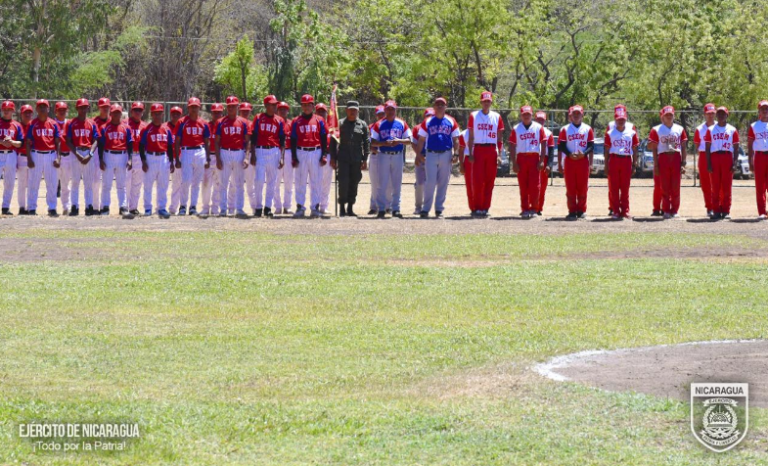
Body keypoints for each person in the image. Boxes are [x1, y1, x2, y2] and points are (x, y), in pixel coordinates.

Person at [414, 97, 460, 218]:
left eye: (442, 104)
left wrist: (456, 154)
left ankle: (439, 209)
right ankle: (425, 209)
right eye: (437, 104)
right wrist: (418, 154)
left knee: (443, 182)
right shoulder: (428, 121)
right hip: (431, 153)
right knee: (430, 181)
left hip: (446, 153)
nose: (440, 106)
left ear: (446, 107)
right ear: (434, 107)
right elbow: (421, 140)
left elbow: (456, 140)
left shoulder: (451, 121)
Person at [370, 100, 410, 218]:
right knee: (382, 182)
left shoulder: (401, 123)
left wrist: (398, 141)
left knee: (397, 183)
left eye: (392, 109)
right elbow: (373, 142)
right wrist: (384, 143)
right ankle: (381, 209)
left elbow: (409, 140)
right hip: (383, 155)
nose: (390, 111)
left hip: (398, 154)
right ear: (385, 110)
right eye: (388, 109)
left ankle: (395, 208)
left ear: (395, 110)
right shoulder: (379, 124)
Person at [291, 94, 328, 218]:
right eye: (304, 105)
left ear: (313, 106)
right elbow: (293, 139)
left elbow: (323, 138)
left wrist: (323, 154)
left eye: (309, 104)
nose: (306, 107)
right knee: (300, 181)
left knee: (316, 181)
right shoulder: (296, 121)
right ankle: (300, 207)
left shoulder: (319, 120)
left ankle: (315, 207)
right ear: (301, 106)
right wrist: (294, 157)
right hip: (301, 152)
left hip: (315, 151)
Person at [468, 91, 504, 217]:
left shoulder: (496, 116)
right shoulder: (474, 116)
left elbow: (500, 138)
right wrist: (471, 152)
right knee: (478, 180)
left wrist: (499, 154)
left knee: (490, 180)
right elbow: (471, 136)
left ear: (491, 102)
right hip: (478, 149)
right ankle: (477, 207)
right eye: (484, 101)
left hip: (491, 149)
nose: (486, 103)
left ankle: (486, 207)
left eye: (488, 101)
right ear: (481, 102)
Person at [647, 106, 688, 219]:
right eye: (666, 115)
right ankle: (666, 210)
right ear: (662, 117)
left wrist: (683, 163)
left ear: (674, 116)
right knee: (664, 186)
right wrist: (656, 164)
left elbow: (684, 147)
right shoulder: (656, 129)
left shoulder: (679, 129)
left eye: (671, 115)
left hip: (675, 157)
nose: (669, 117)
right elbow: (654, 148)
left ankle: (674, 210)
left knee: (675, 186)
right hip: (663, 157)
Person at [332, 100, 369, 217]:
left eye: (355, 110)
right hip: (343, 158)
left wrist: (365, 159)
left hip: (356, 159)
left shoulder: (362, 125)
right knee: (343, 183)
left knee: (354, 183)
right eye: (350, 109)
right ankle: (342, 208)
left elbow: (366, 143)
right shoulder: (340, 124)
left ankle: (350, 208)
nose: (352, 112)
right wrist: (333, 158)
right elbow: (334, 142)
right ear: (346, 110)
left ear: (358, 111)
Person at [215, 95, 251, 218]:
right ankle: (223, 209)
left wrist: (246, 157)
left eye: (233, 106)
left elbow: (248, 141)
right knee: (223, 183)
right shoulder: (221, 122)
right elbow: (217, 141)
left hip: (239, 153)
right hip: (225, 152)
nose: (231, 108)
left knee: (239, 183)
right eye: (229, 106)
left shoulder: (243, 122)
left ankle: (239, 208)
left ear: (237, 107)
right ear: (226, 107)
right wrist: (218, 158)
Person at [509, 105, 547, 218]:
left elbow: (543, 143)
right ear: (521, 115)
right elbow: (512, 145)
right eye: (524, 114)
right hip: (521, 158)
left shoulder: (538, 127)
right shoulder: (516, 128)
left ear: (531, 115)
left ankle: (534, 209)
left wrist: (541, 160)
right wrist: (514, 162)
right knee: (523, 185)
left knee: (535, 185)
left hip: (534, 157)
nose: (526, 116)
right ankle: (525, 208)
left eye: (528, 114)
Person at [251, 95, 286, 218]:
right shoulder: (258, 118)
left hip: (274, 151)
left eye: (275, 104)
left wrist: (282, 156)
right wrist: (252, 154)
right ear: (266, 105)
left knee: (272, 182)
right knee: (259, 181)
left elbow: (282, 140)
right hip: (260, 150)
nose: (274, 106)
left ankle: (267, 208)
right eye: (271, 104)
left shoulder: (279, 120)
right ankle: (258, 207)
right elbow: (253, 136)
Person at [175, 97, 210, 216]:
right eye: (191, 106)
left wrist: (208, 158)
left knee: (196, 182)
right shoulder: (182, 122)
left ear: (199, 107)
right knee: (186, 180)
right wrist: (177, 158)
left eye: (196, 106)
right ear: (188, 108)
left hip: (200, 152)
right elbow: (177, 141)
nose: (194, 108)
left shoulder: (203, 123)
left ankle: (193, 206)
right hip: (186, 151)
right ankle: (183, 206)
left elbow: (206, 141)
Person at [26, 99, 62, 217]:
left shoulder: (53, 123)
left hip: (51, 155)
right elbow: (27, 142)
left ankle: (52, 208)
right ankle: (31, 208)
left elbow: (58, 142)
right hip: (36, 154)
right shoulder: (32, 123)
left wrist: (58, 158)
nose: (42, 108)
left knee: (52, 183)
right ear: (36, 109)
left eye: (44, 106)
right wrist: (29, 159)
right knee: (33, 183)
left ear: (48, 108)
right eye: (40, 106)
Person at [64, 99, 100, 217]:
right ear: (77, 108)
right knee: (75, 182)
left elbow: (96, 140)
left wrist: (90, 154)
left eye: (85, 107)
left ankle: (89, 206)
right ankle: (74, 207)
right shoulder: (71, 123)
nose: (83, 109)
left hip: (88, 153)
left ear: (88, 108)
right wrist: (77, 154)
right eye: (81, 107)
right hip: (76, 153)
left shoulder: (92, 123)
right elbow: (68, 141)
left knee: (88, 183)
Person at [558, 105, 594, 220]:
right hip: (570, 161)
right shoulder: (565, 129)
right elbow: (562, 146)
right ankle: (572, 211)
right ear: (570, 116)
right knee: (571, 186)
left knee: (582, 187)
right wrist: (569, 154)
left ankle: (581, 210)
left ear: (582, 115)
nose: (576, 115)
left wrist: (584, 154)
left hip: (583, 160)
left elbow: (591, 145)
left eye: (579, 113)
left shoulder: (588, 129)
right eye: (574, 114)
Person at [139, 103, 174, 219]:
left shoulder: (166, 129)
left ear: (163, 114)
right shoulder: (147, 129)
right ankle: (148, 208)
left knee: (163, 185)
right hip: (150, 157)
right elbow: (141, 146)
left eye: (159, 113)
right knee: (148, 185)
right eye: (155, 114)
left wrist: (172, 162)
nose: (157, 116)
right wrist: (143, 161)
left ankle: (161, 208)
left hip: (163, 158)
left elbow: (169, 146)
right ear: (152, 114)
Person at [604, 106, 639, 219]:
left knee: (625, 187)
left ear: (626, 118)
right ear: (615, 119)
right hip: (614, 159)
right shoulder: (610, 132)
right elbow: (607, 149)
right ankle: (615, 210)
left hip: (626, 160)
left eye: (623, 119)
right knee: (614, 187)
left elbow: (635, 149)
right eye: (618, 119)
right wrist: (606, 165)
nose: (621, 121)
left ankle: (625, 210)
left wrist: (634, 164)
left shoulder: (631, 132)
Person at [704, 106, 739, 220]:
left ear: (727, 115)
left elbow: (736, 148)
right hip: (715, 157)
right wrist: (708, 164)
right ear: (716, 116)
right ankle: (716, 210)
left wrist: (734, 163)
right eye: (718, 114)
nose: (720, 116)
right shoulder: (710, 129)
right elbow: (707, 148)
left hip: (727, 156)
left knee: (726, 186)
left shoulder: (732, 130)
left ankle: (726, 210)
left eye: (723, 114)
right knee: (715, 186)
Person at [98, 104, 133, 216]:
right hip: (108, 155)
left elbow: (130, 144)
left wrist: (130, 158)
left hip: (122, 155)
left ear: (121, 114)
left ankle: (122, 207)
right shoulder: (104, 127)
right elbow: (101, 144)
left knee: (121, 184)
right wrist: (101, 159)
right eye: (114, 112)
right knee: (106, 184)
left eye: (118, 112)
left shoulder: (126, 128)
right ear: (111, 114)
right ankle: (105, 206)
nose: (116, 114)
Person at [0, 101, 23, 215]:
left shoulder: (17, 125)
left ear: (13, 110)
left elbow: (20, 143)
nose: (6, 110)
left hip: (11, 155)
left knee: (9, 183)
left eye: (9, 109)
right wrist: (2, 142)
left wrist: (12, 142)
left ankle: (5, 207)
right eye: (4, 108)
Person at [694, 103, 716, 217]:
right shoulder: (700, 129)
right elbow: (697, 145)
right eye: (708, 114)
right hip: (703, 156)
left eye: (712, 113)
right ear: (704, 114)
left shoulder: (720, 126)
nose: (710, 116)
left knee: (718, 183)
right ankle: (709, 207)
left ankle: (719, 206)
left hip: (717, 155)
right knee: (706, 184)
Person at [202, 103, 224, 216]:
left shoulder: (224, 126)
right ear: (211, 113)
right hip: (209, 157)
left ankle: (215, 208)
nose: (216, 114)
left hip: (220, 157)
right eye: (214, 112)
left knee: (218, 184)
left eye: (219, 112)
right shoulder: (206, 125)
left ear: (222, 113)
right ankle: (205, 208)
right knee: (206, 183)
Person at [125, 102, 147, 216]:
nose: (137, 112)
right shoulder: (125, 123)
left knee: (137, 183)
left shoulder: (145, 126)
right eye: (135, 110)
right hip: (128, 155)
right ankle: (124, 207)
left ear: (142, 112)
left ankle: (133, 207)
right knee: (127, 182)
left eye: (140, 110)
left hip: (140, 156)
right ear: (131, 111)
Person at [52, 102, 73, 215]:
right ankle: (52, 207)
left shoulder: (69, 124)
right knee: (53, 184)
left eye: (64, 109)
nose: (62, 111)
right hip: (54, 156)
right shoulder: (51, 123)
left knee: (65, 184)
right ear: (55, 111)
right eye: (60, 109)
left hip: (67, 156)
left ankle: (66, 207)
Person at [748, 100, 768, 220]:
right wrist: (750, 159)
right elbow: (750, 144)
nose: (765, 111)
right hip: (759, 156)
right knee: (760, 186)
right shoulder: (754, 126)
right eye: (763, 109)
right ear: (759, 111)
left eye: (767, 109)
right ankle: (761, 212)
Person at [412, 107, 434, 215]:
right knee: (420, 183)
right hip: (421, 158)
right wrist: (419, 155)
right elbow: (414, 143)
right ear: (424, 117)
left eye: (431, 116)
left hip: (433, 158)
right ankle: (418, 207)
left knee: (430, 184)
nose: (429, 118)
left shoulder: (436, 128)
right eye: (427, 116)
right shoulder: (417, 128)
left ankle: (427, 207)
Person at [274, 101, 294, 215]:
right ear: (277, 110)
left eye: (285, 109)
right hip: (276, 152)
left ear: (288, 111)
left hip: (288, 152)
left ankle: (287, 206)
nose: (282, 111)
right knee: (275, 181)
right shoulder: (274, 122)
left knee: (289, 182)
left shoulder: (291, 123)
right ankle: (277, 206)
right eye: (280, 109)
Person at [314, 103, 334, 214]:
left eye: (323, 111)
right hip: (316, 155)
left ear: (327, 113)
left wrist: (334, 157)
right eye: (319, 111)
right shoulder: (314, 126)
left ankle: (324, 206)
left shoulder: (332, 127)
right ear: (315, 113)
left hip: (329, 155)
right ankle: (315, 204)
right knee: (316, 182)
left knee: (326, 182)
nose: (321, 113)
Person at [238, 102, 257, 215]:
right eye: (243, 110)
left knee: (250, 183)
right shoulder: (235, 122)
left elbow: (252, 141)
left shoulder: (252, 124)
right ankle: (232, 207)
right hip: (236, 153)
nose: (245, 112)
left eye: (247, 110)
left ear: (250, 112)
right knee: (234, 184)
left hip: (248, 155)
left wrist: (252, 155)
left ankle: (254, 208)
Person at [535, 111, 555, 216]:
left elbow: (551, 150)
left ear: (545, 121)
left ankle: (539, 208)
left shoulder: (548, 133)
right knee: (532, 185)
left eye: (542, 120)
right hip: (533, 158)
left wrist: (549, 165)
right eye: (538, 120)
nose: (540, 122)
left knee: (542, 186)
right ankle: (531, 206)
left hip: (545, 160)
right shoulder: (531, 131)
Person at [16, 105, 34, 215]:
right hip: (21, 156)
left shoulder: (34, 125)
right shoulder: (18, 126)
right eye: (25, 113)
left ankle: (31, 207)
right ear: (21, 114)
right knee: (22, 184)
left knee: (32, 183)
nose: (27, 114)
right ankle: (22, 207)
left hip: (33, 156)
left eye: (29, 112)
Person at [368, 105, 385, 214]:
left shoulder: (390, 126)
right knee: (374, 182)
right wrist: (372, 149)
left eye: (382, 114)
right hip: (375, 156)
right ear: (376, 115)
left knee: (387, 183)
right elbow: (367, 142)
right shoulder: (371, 127)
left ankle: (387, 206)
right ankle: (374, 206)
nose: (381, 116)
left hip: (386, 156)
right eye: (379, 114)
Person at [167, 106, 183, 214]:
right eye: (174, 113)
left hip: (179, 158)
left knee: (177, 184)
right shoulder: (165, 127)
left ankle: (173, 208)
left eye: (178, 113)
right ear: (170, 114)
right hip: (165, 157)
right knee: (161, 184)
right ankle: (160, 207)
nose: (175, 115)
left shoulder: (183, 127)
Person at [458, 128, 473, 214]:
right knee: (469, 184)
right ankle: (472, 207)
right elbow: (461, 150)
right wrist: (461, 165)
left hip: (480, 158)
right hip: (468, 160)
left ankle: (481, 206)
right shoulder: (463, 134)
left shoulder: (481, 132)